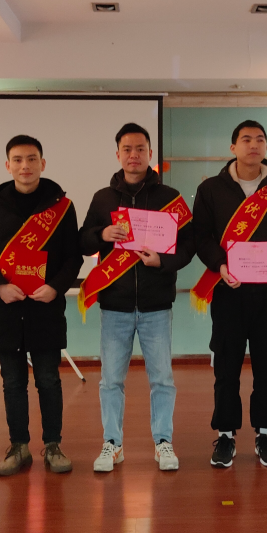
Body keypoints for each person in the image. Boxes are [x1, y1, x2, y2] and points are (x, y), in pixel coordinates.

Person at [78, 123, 195, 472]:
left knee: (162, 379)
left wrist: (163, 262)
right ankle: (112, 444)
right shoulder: (103, 198)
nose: (134, 155)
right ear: (118, 154)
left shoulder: (169, 198)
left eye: (140, 148)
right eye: (127, 149)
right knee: (111, 380)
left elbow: (188, 246)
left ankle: (163, 442)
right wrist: (102, 234)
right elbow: (83, 240)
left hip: (157, 304)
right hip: (115, 304)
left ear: (150, 153)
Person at [0, 135, 83, 475]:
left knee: (48, 380)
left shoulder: (62, 207)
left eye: (31, 159)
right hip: (6, 308)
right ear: (8, 165)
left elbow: (73, 257)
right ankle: (18, 446)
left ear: (42, 163)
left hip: (45, 307)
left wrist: (56, 288)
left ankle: (53, 445)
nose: (25, 166)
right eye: (17, 160)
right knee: (13, 383)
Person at [192, 119, 267, 468]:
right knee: (226, 366)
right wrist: (219, 265)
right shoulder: (211, 189)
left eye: (259, 139)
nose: (253, 145)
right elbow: (201, 236)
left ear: (266, 147)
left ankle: (265, 433)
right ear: (233, 147)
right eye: (245, 139)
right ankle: (225, 435)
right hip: (228, 291)